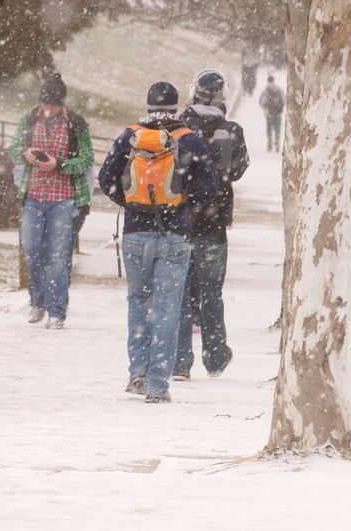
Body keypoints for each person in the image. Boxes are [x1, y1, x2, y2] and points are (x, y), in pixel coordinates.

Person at [98, 81, 217, 403]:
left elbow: (105, 179)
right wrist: (182, 206)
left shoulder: (130, 136)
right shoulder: (188, 139)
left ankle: (137, 372)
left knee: (139, 303)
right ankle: (158, 384)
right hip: (175, 236)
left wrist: (133, 205)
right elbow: (209, 187)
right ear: (176, 106)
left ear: (148, 104)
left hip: (136, 234)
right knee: (167, 308)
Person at [173, 69, 250, 381]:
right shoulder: (231, 130)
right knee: (211, 292)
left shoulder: (177, 128)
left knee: (179, 292)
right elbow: (240, 168)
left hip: (179, 220)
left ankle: (180, 361)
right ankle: (215, 356)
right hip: (214, 222)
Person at [9, 73, 94, 329]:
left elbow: (87, 159)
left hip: (63, 199)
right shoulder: (29, 119)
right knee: (33, 250)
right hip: (33, 197)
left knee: (59, 257)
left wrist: (59, 165)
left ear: (61, 104)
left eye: (52, 105)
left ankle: (57, 311)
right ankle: (38, 300)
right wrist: (26, 154)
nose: (47, 109)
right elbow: (13, 149)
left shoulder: (76, 124)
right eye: (44, 103)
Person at [259, 75, 285, 152]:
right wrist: (280, 107)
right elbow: (284, 101)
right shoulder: (279, 90)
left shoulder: (265, 91)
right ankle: (277, 144)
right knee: (277, 129)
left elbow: (261, 101)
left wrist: (265, 108)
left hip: (269, 113)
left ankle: (270, 144)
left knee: (269, 129)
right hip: (277, 113)